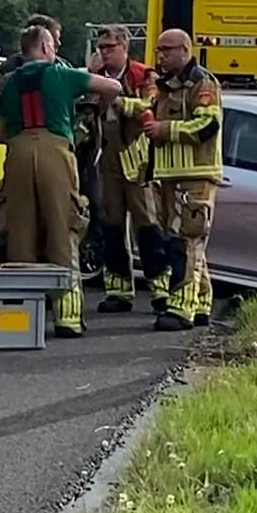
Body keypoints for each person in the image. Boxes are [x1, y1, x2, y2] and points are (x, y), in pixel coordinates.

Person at [0, 24, 123, 337]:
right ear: (46, 47)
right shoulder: (62, 75)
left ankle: (20, 320)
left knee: (20, 232)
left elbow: (0, 133)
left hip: (18, 152)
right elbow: (112, 88)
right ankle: (67, 317)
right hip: (55, 150)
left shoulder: (8, 85)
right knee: (62, 226)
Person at [133, 29, 223, 332]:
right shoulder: (163, 86)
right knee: (188, 242)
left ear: (184, 50)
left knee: (185, 242)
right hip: (169, 177)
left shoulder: (202, 82)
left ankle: (180, 308)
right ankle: (200, 303)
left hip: (196, 176)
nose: (161, 56)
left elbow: (208, 124)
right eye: (159, 50)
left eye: (167, 50)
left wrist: (166, 130)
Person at [91, 26, 166, 314]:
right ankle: (118, 290)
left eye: (109, 47)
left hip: (137, 159)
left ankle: (160, 288)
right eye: (101, 48)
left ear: (124, 47)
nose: (104, 53)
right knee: (111, 226)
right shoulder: (96, 78)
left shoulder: (143, 75)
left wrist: (117, 98)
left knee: (147, 225)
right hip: (107, 158)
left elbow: (151, 105)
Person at [0, 13, 65, 262]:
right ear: (44, 41)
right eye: (55, 40)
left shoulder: (61, 66)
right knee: (18, 221)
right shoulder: (10, 71)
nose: (58, 46)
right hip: (25, 150)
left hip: (44, 154)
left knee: (51, 222)